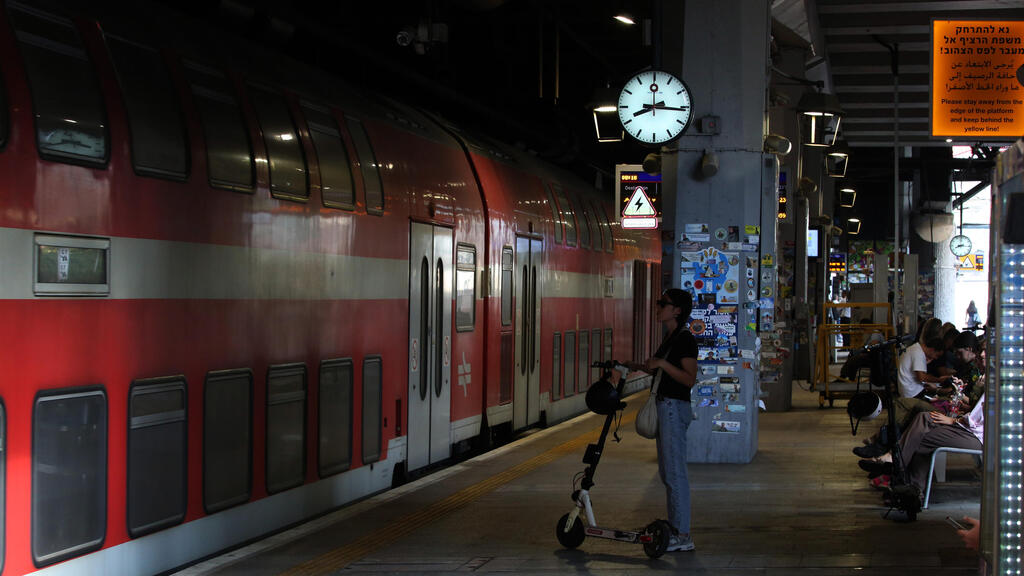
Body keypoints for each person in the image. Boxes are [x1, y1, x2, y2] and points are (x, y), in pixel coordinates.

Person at [648, 288, 699, 552]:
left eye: (662, 303)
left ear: (677, 310)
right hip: (665, 406)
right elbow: (658, 367)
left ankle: (682, 534)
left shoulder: (685, 339)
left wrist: (662, 365)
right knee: (668, 472)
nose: (658, 307)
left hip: (673, 408)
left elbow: (689, 379)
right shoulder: (670, 337)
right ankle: (677, 529)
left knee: (675, 473)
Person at [859, 393, 984, 499]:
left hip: (977, 436)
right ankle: (909, 485)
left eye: (982, 361)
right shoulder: (990, 383)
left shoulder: (995, 385)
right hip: (970, 429)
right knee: (919, 427)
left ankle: (898, 468)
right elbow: (978, 413)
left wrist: (953, 420)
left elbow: (981, 420)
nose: (981, 363)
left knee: (920, 428)